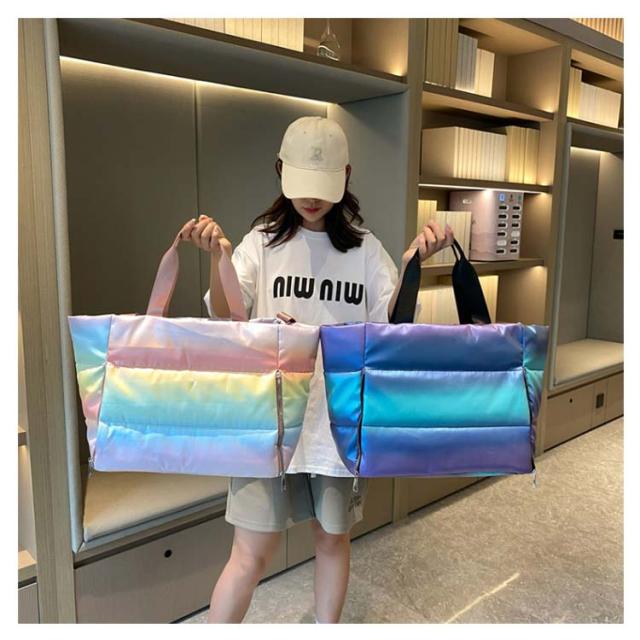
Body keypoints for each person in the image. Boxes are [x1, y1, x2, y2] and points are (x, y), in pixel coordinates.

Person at [179, 116, 454, 624]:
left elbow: (392, 325)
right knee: (249, 554)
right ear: (280, 170)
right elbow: (226, 316)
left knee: (331, 540)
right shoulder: (261, 243)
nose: (311, 199)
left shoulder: (365, 250)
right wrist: (219, 260)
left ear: (345, 176)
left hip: (336, 421)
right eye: (302, 183)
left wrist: (413, 263)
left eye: (323, 185)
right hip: (269, 420)